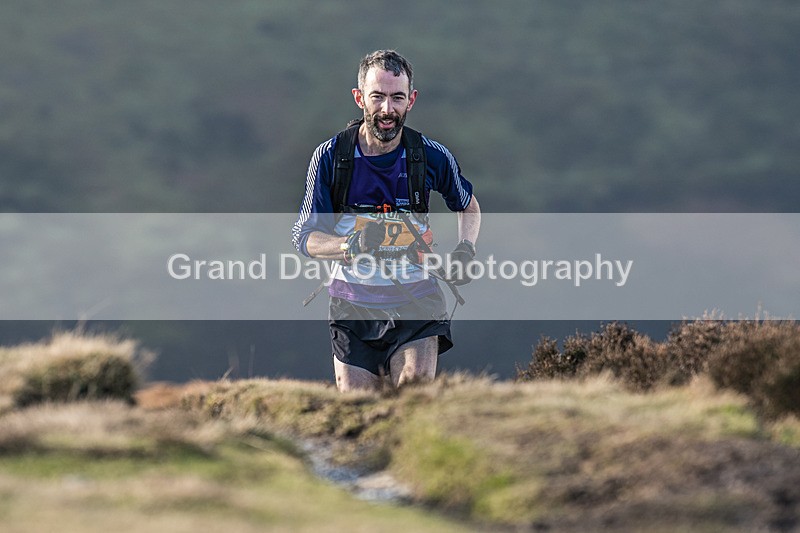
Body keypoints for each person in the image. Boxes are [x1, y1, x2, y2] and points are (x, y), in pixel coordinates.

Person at [292, 49, 481, 392]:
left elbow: (468, 206)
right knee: (359, 412)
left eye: (397, 98)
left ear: (412, 99)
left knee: (413, 396)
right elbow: (305, 238)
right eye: (377, 97)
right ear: (359, 97)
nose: (387, 110)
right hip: (352, 308)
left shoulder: (430, 155)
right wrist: (351, 244)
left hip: (418, 303)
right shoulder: (332, 156)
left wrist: (465, 251)